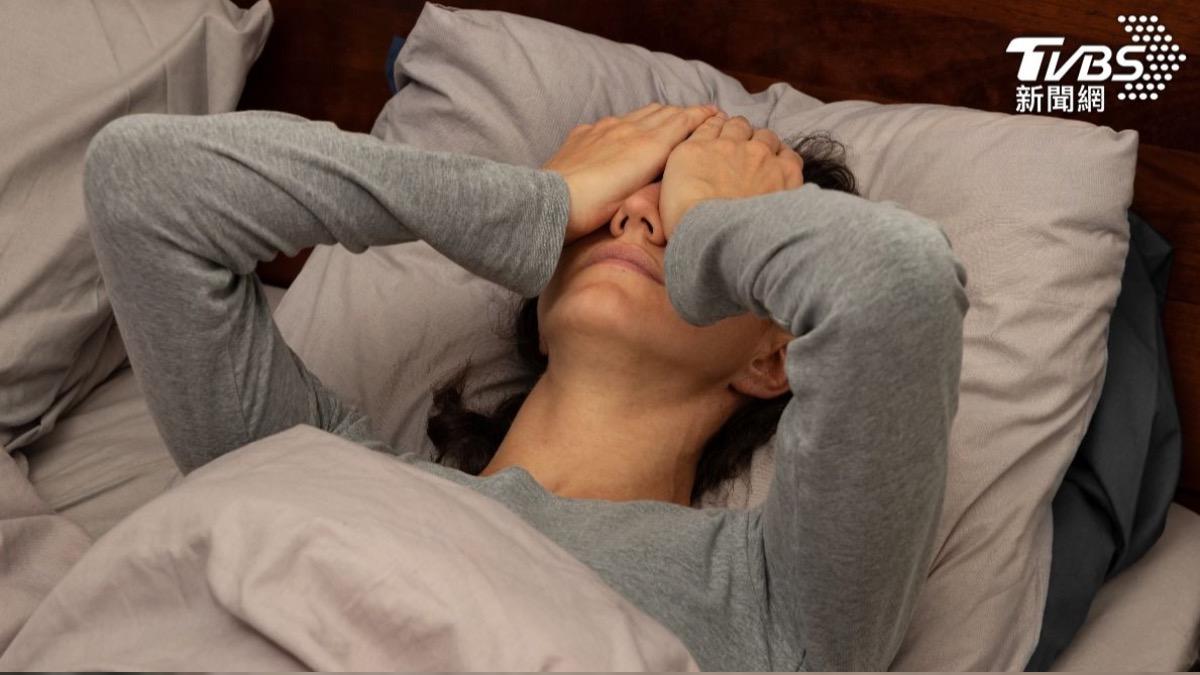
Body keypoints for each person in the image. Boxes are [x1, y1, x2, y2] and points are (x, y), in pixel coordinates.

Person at [82, 103, 969, 672]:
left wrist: (711, 223)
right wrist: (534, 202)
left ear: (773, 359)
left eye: (686, 201)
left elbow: (894, 286)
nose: (638, 211)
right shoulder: (313, 454)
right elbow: (142, 185)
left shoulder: (776, 603)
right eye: (624, 193)